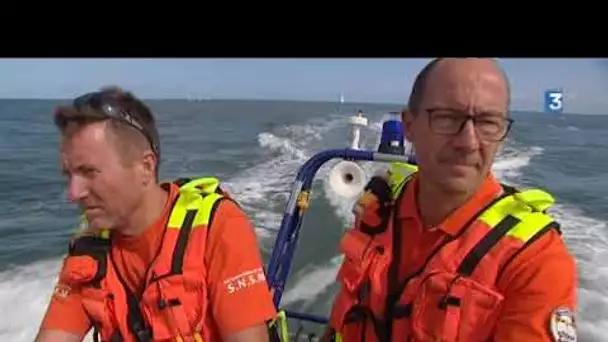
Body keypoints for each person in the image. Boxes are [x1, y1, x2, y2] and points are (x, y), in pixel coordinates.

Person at [321, 58, 578, 342]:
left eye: (488, 123)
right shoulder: (379, 205)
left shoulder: (535, 261)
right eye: (447, 118)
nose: (468, 142)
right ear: (409, 125)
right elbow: (345, 314)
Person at [35, 86, 277, 342]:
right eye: (69, 175)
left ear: (145, 167)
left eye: (89, 172)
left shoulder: (217, 227)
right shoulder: (89, 250)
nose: (73, 193)